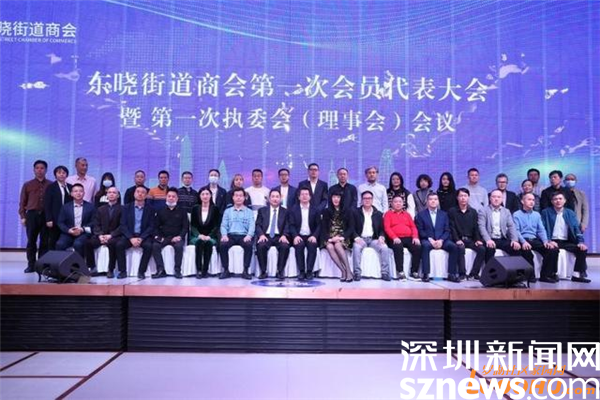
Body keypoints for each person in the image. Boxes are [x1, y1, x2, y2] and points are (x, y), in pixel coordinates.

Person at [541, 192, 591, 283]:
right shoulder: (546, 212)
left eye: (560, 199)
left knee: (582, 249)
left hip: (566, 241)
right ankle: (550, 274)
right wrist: (548, 240)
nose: (558, 201)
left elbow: (576, 229)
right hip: (552, 240)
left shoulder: (570, 213)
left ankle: (576, 275)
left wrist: (580, 242)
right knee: (552, 250)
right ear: (552, 201)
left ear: (565, 201)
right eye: (555, 199)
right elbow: (542, 228)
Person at [513, 193, 560, 283]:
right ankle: (530, 276)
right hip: (523, 239)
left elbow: (541, 230)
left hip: (534, 239)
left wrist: (545, 241)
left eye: (533, 200)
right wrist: (523, 242)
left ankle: (546, 275)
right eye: (529, 199)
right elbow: (516, 231)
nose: (532, 202)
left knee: (552, 250)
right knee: (526, 251)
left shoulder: (537, 215)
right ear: (522, 201)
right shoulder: (516, 214)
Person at [415, 193, 459, 283]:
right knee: (425, 246)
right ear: (427, 202)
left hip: (442, 240)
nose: (433, 201)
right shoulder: (421, 215)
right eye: (431, 199)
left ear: (438, 201)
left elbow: (447, 230)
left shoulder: (444, 214)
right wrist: (430, 239)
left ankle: (452, 274)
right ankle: (426, 274)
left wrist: (441, 240)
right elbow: (420, 230)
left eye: (435, 199)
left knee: (454, 247)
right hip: (428, 239)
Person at [19, 160, 51, 272]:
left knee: (44, 241)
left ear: (46, 170)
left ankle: (41, 266)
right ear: (33, 170)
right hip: (32, 215)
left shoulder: (51, 185)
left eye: (42, 168)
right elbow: (22, 202)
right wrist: (23, 216)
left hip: (46, 216)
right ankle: (31, 265)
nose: (39, 170)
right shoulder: (27, 185)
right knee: (31, 241)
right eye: (37, 168)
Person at [116, 186, 155, 280]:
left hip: (143, 236)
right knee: (119, 245)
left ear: (146, 195)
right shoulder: (126, 208)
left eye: (143, 192)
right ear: (134, 194)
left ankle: (141, 271)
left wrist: (141, 238)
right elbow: (123, 225)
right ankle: (122, 271)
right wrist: (131, 238)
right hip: (130, 236)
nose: (140, 194)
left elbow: (151, 226)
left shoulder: (150, 209)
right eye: (138, 192)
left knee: (149, 246)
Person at [352, 191, 391, 281]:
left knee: (384, 247)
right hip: (361, 238)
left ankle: (385, 272)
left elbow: (382, 229)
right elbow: (351, 227)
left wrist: (381, 236)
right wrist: (356, 237)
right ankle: (357, 273)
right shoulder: (355, 212)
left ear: (372, 200)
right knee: (356, 247)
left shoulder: (378, 214)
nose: (367, 200)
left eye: (369, 198)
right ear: (362, 200)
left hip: (374, 239)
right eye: (365, 198)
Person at [151, 188, 189, 279]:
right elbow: (155, 227)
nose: (171, 198)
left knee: (179, 247)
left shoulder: (182, 211)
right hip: (164, 237)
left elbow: (185, 227)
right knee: (155, 246)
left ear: (177, 198)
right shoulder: (160, 211)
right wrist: (159, 238)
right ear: (166, 197)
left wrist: (180, 236)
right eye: (169, 196)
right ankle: (160, 270)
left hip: (177, 237)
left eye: (173, 196)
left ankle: (177, 270)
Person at [448, 188, 485, 280]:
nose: (463, 198)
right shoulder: (452, 211)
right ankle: (462, 274)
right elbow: (452, 227)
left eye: (465, 196)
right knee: (460, 248)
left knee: (482, 249)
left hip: (470, 239)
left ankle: (474, 273)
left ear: (468, 197)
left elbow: (476, 228)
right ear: (457, 197)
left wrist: (477, 239)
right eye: (461, 196)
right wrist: (457, 239)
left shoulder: (473, 212)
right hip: (458, 239)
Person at [86, 187, 123, 278]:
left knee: (112, 243)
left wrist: (111, 235)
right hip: (101, 235)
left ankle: (110, 269)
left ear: (118, 195)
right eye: (109, 192)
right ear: (106, 195)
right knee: (88, 243)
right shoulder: (100, 209)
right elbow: (96, 224)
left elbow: (123, 225)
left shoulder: (123, 209)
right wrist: (100, 235)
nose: (111, 194)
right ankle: (92, 267)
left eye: (114, 192)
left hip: (115, 235)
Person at [383, 195, 421, 281]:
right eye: (396, 202)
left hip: (408, 237)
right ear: (392, 203)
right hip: (394, 238)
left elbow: (413, 227)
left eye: (400, 202)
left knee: (417, 247)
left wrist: (415, 237)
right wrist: (394, 237)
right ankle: (400, 272)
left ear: (403, 203)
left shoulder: (407, 214)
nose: (398, 203)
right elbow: (387, 228)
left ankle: (414, 272)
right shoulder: (388, 214)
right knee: (398, 246)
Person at [219, 188, 255, 279]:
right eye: (236, 196)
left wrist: (249, 235)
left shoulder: (249, 212)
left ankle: (245, 270)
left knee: (248, 245)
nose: (238, 198)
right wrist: (224, 235)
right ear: (233, 197)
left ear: (244, 198)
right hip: (230, 235)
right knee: (223, 245)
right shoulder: (227, 211)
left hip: (243, 235)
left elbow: (252, 225)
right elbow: (223, 225)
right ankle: (225, 270)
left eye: (241, 196)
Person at [478, 189, 522, 264]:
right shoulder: (483, 210)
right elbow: (481, 226)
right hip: (489, 238)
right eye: (494, 197)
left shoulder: (506, 211)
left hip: (502, 239)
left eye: (498, 197)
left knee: (516, 248)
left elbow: (511, 226)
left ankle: (516, 271)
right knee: (490, 250)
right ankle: (490, 271)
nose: (496, 199)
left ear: (502, 199)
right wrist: (488, 240)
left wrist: (515, 240)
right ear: (490, 198)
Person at [255, 189, 290, 280]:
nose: (275, 199)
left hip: (279, 236)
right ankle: (263, 271)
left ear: (280, 199)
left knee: (285, 246)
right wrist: (261, 235)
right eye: (273, 197)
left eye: (277, 197)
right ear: (269, 199)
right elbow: (258, 225)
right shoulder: (262, 210)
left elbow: (287, 225)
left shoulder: (285, 211)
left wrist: (284, 235)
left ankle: (280, 271)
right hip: (266, 235)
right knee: (261, 246)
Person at [287, 187, 321, 280]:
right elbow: (291, 225)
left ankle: (309, 271)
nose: (304, 196)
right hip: (299, 235)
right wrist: (295, 236)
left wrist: (314, 236)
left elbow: (319, 225)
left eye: (306, 194)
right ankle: (301, 271)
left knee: (312, 245)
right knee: (299, 245)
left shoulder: (315, 209)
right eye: (302, 194)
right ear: (299, 197)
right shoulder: (293, 209)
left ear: (310, 197)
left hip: (311, 235)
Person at [321, 190, 354, 282]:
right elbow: (323, 228)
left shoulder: (348, 211)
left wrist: (342, 237)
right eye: (334, 197)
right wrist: (329, 239)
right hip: (330, 237)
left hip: (342, 237)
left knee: (338, 245)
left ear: (341, 199)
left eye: (338, 197)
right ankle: (343, 271)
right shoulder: (326, 211)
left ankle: (348, 271)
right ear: (331, 199)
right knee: (329, 247)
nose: (336, 199)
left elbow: (351, 227)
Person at [56, 183, 95, 260]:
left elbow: (94, 222)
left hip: (83, 233)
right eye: (75, 191)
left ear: (84, 193)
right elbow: (60, 222)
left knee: (78, 244)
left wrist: (82, 229)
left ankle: (79, 265)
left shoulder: (91, 207)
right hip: (68, 233)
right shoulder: (65, 207)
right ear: (71, 194)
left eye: (80, 191)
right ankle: (61, 265)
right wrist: (68, 230)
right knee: (60, 244)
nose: (78, 193)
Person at [190, 187, 221, 279]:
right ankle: (199, 270)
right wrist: (199, 235)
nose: (205, 196)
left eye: (207, 194)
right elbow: (192, 225)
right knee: (199, 242)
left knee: (208, 243)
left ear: (210, 196)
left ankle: (205, 270)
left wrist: (209, 236)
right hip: (197, 235)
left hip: (211, 236)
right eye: (203, 194)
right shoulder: (195, 208)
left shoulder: (215, 209)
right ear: (199, 196)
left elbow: (217, 225)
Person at [44, 165, 73, 251]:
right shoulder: (51, 187)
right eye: (59, 173)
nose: (61, 174)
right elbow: (47, 204)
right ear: (55, 175)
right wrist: (48, 219)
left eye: (64, 173)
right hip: (55, 218)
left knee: (65, 240)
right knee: (53, 239)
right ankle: (52, 258)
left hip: (68, 219)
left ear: (66, 175)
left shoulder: (70, 187)